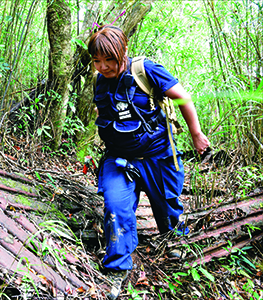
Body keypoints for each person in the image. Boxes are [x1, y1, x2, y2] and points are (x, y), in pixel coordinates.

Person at [88, 26, 210, 299]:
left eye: (110, 60)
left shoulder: (146, 70)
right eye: (97, 61)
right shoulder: (100, 80)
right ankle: (118, 267)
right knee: (116, 206)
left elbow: (183, 97)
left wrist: (196, 134)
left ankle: (173, 240)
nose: (104, 66)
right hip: (118, 159)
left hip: (158, 155)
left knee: (167, 206)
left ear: (124, 52)